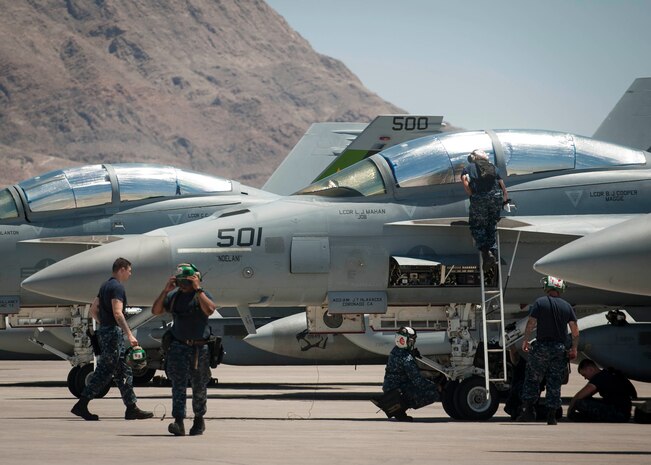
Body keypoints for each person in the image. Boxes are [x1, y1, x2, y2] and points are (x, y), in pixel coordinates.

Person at [71, 257, 153, 421]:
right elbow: (118, 313)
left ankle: (131, 408)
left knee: (123, 371)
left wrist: (104, 323)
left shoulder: (105, 286)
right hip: (113, 335)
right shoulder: (117, 288)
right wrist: (129, 334)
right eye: (129, 270)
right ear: (122, 269)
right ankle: (82, 404)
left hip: (106, 331)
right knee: (105, 371)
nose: (130, 274)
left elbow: (94, 310)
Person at [152, 263, 217, 436]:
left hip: (199, 348)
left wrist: (198, 289)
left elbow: (210, 309)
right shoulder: (174, 296)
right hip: (179, 346)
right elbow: (156, 310)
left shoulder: (201, 295)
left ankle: (198, 419)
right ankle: (179, 422)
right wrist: (166, 290)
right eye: (181, 281)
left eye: (187, 281)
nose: (183, 285)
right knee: (178, 385)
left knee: (199, 385)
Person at [516, 276, 579, 425]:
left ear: (547, 288)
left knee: (532, 379)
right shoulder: (567, 306)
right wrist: (574, 348)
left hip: (542, 347)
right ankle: (552, 416)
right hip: (559, 348)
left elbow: (531, 323)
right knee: (555, 381)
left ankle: (528, 411)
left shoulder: (540, 302)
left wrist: (525, 339)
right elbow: (575, 330)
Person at [376, 326, 440, 422]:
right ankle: (400, 410)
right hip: (398, 392)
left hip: (390, 388)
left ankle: (399, 409)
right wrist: (435, 386)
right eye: (411, 341)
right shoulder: (407, 358)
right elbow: (418, 381)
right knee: (433, 393)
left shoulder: (395, 351)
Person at [461, 149, 509, 271]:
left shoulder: (468, 168)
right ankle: (493, 251)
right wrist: (504, 200)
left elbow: (466, 184)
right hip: (496, 198)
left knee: (477, 226)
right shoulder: (493, 167)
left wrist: (474, 196)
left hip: (480, 198)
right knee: (491, 225)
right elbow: (502, 186)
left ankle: (486, 254)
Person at [568, 359, 637, 422]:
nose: (585, 378)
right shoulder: (606, 374)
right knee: (585, 399)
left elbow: (579, 395)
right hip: (623, 412)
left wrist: (570, 410)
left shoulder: (599, 377)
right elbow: (588, 394)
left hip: (618, 414)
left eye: (584, 375)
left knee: (579, 403)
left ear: (590, 369)